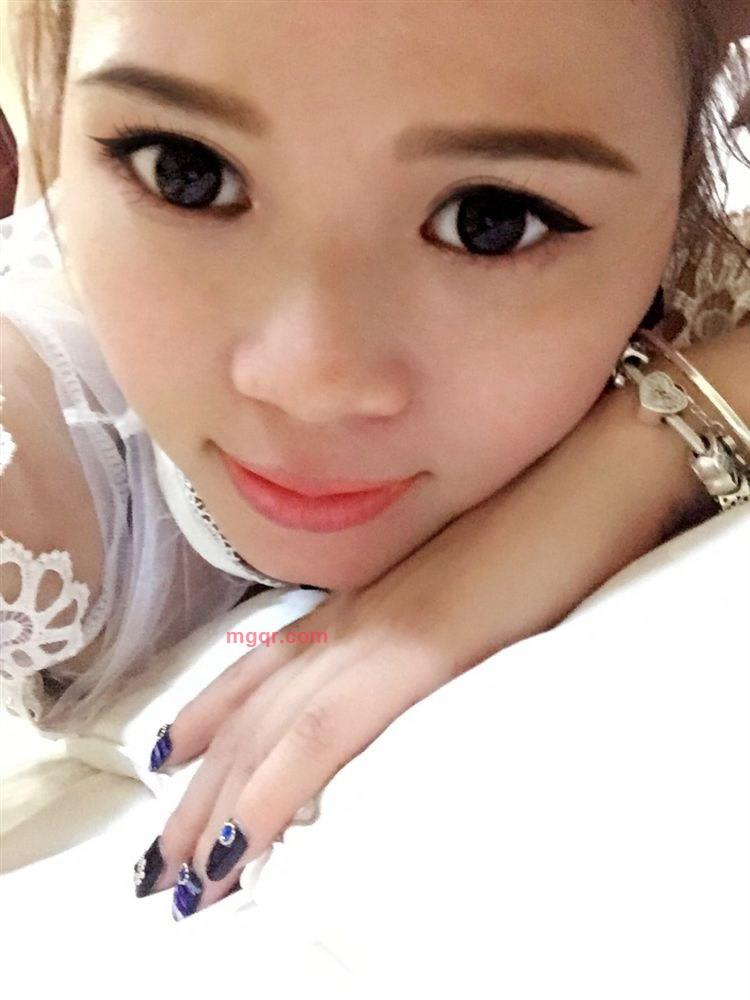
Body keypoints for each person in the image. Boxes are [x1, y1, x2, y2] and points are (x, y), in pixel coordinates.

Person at [1, 0, 748, 922]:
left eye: (489, 220)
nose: (310, 383)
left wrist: (641, 452)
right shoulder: (52, 424)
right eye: (186, 172)